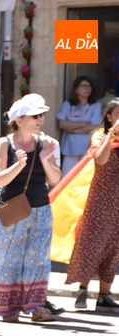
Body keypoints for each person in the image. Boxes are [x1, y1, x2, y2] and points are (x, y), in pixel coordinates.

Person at [0, 94, 61, 322]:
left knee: (37, 260)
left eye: (42, 115)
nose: (40, 120)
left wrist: (46, 158)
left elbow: (55, 179)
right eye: (35, 116)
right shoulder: (4, 143)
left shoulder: (46, 143)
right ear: (19, 120)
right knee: (5, 258)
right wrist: (19, 165)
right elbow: (0, 180)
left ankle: (37, 309)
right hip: (10, 210)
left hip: (41, 210)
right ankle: (7, 309)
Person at [65, 99, 119, 311]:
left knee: (114, 246)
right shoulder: (99, 136)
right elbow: (101, 159)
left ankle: (104, 294)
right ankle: (82, 289)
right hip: (99, 198)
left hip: (117, 200)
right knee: (92, 243)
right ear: (108, 117)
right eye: (117, 115)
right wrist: (112, 134)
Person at [56, 76, 101, 177]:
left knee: (84, 177)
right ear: (76, 89)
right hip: (70, 147)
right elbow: (61, 124)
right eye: (84, 86)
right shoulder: (67, 104)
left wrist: (72, 130)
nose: (87, 88)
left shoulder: (95, 105)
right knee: (67, 177)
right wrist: (84, 124)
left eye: (89, 86)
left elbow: (94, 126)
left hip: (87, 146)